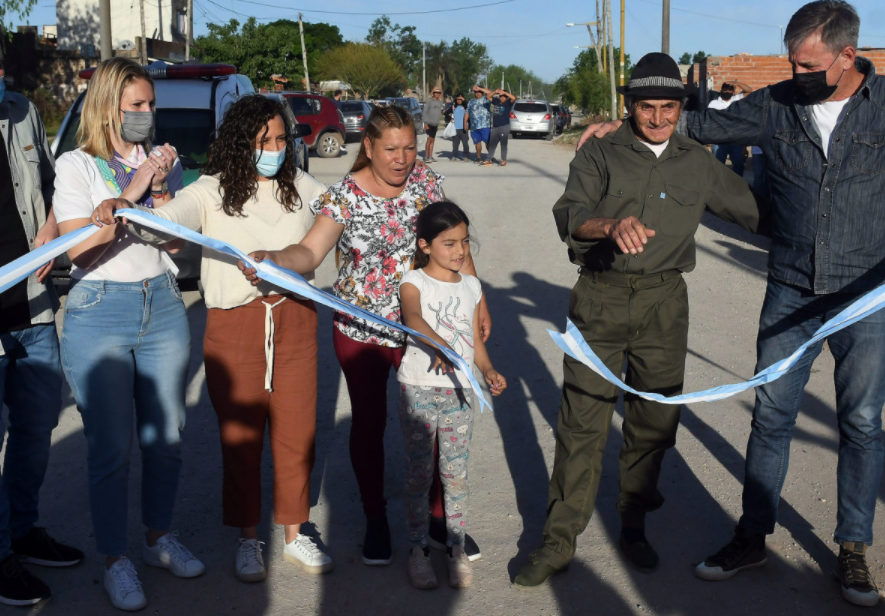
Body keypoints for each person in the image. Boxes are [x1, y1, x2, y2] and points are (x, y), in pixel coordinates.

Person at [574, 1, 885, 608]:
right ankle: (751, 536)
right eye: (791, 62)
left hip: (864, 297)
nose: (796, 74)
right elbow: (696, 125)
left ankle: (852, 549)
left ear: (847, 56)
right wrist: (622, 124)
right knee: (771, 416)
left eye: (808, 65)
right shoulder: (776, 104)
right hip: (791, 288)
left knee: (862, 423)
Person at [513, 52, 768, 589]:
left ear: (681, 108)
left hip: (664, 306)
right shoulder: (599, 151)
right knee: (582, 423)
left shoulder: (697, 162)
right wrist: (609, 225)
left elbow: (758, 212)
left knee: (654, 423)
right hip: (599, 299)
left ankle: (633, 523)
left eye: (667, 108)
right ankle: (558, 542)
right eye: (646, 106)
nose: (657, 118)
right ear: (628, 105)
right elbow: (570, 214)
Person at [90, 95, 333, 583]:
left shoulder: (306, 187)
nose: (275, 150)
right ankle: (248, 538)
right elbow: (165, 226)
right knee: (242, 438)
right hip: (234, 325)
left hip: (295, 321)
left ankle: (294, 531)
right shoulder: (209, 190)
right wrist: (127, 207)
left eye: (281, 140)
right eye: (263, 141)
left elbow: (330, 232)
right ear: (240, 142)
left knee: (297, 432)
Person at [239, 105, 491, 567]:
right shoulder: (345, 196)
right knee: (370, 425)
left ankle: (440, 521)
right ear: (369, 147)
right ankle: (376, 519)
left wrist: (477, 302)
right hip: (363, 332)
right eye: (391, 149)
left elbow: (453, 241)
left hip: (427, 331)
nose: (402, 159)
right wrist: (273, 259)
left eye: (410, 148)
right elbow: (309, 252)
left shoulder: (426, 183)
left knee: (435, 425)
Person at [52, 57, 203, 611]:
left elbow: (177, 245)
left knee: (166, 437)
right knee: (111, 447)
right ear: (106, 106)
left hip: (161, 303)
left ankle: (159, 537)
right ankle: (116, 559)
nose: (146, 114)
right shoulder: (77, 166)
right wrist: (133, 190)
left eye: (151, 105)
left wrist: (160, 191)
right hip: (100, 310)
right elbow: (78, 249)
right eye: (136, 105)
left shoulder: (163, 163)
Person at [0, 47, 84, 608]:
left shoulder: (22, 111)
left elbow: (52, 188)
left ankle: (22, 530)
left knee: (35, 429)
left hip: (30, 307)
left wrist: (51, 229)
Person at [397, 201, 506, 590]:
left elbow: (475, 340)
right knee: (420, 473)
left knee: (455, 474)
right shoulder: (413, 281)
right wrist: (440, 345)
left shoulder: (472, 286)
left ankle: (455, 547)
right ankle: (418, 549)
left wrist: (487, 370)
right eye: (449, 243)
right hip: (419, 389)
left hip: (460, 391)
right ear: (425, 245)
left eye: (464, 241)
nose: (460, 251)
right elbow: (413, 318)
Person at [707, 81, 754, 175]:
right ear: (721, 90)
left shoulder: (737, 99)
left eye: (730, 90)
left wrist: (737, 83)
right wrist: (708, 140)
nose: (727, 92)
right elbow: (709, 121)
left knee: (739, 164)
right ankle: (719, 183)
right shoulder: (714, 104)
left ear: (733, 91)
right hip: (719, 140)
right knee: (718, 165)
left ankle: (736, 183)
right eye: (725, 90)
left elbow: (749, 91)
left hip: (735, 139)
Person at [487, 89, 516, 166]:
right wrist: (495, 92)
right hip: (495, 126)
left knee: (503, 144)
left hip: (504, 126)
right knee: (492, 144)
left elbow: (513, 98)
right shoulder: (496, 101)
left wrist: (505, 92)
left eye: (504, 96)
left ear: (506, 97)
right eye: (501, 96)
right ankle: (489, 159)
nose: (502, 98)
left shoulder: (508, 103)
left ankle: (503, 160)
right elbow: (488, 96)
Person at [466, 86, 493, 166]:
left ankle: (490, 157)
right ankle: (478, 157)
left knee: (487, 142)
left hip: (485, 125)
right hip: (474, 126)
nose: (477, 93)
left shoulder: (486, 99)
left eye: (479, 92)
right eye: (476, 92)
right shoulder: (471, 101)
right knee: (477, 142)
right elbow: (467, 112)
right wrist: (465, 122)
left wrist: (480, 88)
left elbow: (490, 92)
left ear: (482, 92)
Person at [422, 87, 445, 163]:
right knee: (429, 139)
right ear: (433, 93)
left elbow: (441, 111)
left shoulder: (440, 102)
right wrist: (425, 123)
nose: (437, 94)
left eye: (439, 93)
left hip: (435, 124)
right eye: (436, 93)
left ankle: (430, 156)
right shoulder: (429, 101)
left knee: (433, 140)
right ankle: (426, 156)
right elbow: (425, 112)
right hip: (429, 123)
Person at [449, 94, 469, 162]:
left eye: (461, 99)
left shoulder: (465, 107)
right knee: (455, 144)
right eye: (458, 99)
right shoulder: (453, 107)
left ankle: (466, 156)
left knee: (465, 143)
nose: (459, 100)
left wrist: (464, 100)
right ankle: (454, 156)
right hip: (455, 128)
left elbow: (467, 105)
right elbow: (446, 113)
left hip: (464, 128)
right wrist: (450, 118)